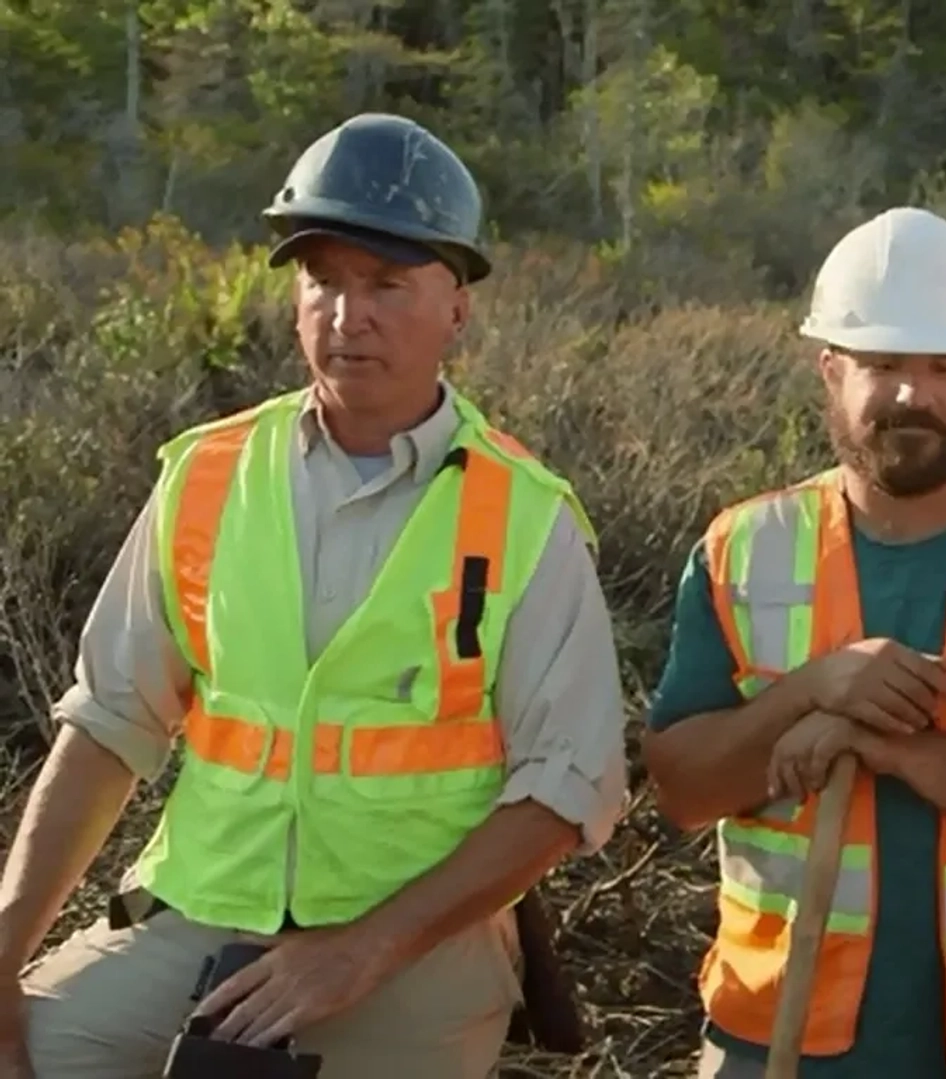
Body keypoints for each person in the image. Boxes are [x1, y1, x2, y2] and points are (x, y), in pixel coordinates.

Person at [0, 112, 630, 1079]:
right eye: (324, 280)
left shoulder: (526, 515)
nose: (348, 315)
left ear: (456, 306)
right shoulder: (205, 475)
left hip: (415, 950)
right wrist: (3, 951)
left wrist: (362, 949)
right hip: (196, 920)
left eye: (387, 283)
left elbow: (567, 786)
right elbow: (110, 721)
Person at [643, 206, 946, 1079]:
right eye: (882, 364)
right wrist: (815, 688)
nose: (914, 395)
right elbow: (684, 788)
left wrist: (886, 744)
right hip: (781, 1045)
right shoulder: (740, 553)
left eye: (943, 365)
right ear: (828, 371)